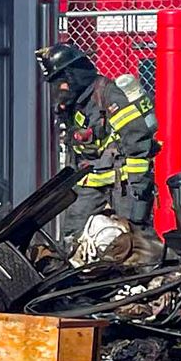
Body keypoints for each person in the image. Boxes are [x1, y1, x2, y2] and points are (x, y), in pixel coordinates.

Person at [37, 44, 156, 241]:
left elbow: (137, 139)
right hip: (90, 183)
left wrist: (139, 187)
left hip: (123, 185)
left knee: (134, 239)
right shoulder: (75, 103)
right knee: (73, 238)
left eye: (61, 82)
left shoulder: (108, 95)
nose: (60, 89)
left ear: (74, 75)